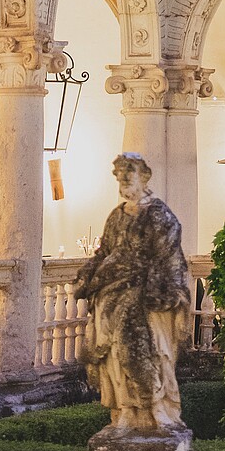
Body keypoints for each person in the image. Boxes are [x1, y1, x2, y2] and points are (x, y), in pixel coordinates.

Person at [76, 152, 193, 434]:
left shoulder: (159, 214)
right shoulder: (116, 216)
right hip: (111, 297)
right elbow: (104, 251)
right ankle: (125, 412)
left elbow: (170, 258)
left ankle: (156, 411)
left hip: (145, 298)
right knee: (114, 358)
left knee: (143, 352)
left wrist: (161, 291)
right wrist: (91, 273)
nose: (124, 177)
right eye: (119, 173)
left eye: (130, 171)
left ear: (145, 176)